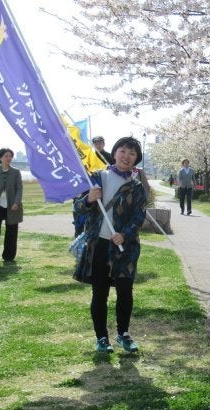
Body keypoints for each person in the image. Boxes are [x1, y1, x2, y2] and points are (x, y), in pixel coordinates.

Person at [73, 137, 148, 354]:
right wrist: (88, 200)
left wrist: (125, 234)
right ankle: (101, 338)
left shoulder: (136, 186)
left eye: (132, 153)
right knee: (100, 293)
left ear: (136, 159)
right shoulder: (97, 178)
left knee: (125, 290)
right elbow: (78, 208)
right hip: (99, 245)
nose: (126, 156)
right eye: (123, 151)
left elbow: (139, 216)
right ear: (114, 153)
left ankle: (124, 334)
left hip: (126, 247)